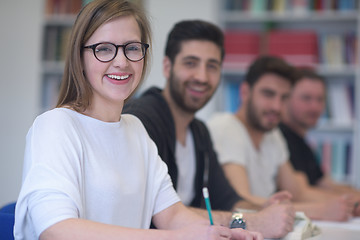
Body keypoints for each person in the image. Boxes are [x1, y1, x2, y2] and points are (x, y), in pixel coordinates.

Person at [13, 1, 263, 240]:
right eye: (104, 49)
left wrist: (227, 233)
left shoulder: (136, 130)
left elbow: (173, 215)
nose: (121, 62)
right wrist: (176, 238)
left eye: (132, 48)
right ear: (80, 58)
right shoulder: (55, 126)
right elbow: (56, 230)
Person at [123, 20, 295, 239]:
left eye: (212, 66)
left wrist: (261, 209)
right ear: (167, 67)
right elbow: (151, 213)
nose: (202, 77)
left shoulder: (199, 131)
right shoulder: (141, 120)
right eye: (191, 63)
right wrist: (252, 221)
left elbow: (229, 200)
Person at [207, 55, 355, 222]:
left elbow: (299, 192)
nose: (276, 106)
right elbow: (241, 201)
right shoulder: (226, 127)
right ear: (245, 92)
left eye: (284, 97)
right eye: (268, 94)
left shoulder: (273, 134)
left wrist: (347, 204)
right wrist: (321, 210)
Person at [280, 67, 360, 216]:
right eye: (306, 98)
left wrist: (355, 195)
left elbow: (323, 182)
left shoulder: (301, 141)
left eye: (320, 99)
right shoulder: (281, 137)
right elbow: (300, 193)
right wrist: (352, 202)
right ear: (286, 98)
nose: (315, 107)